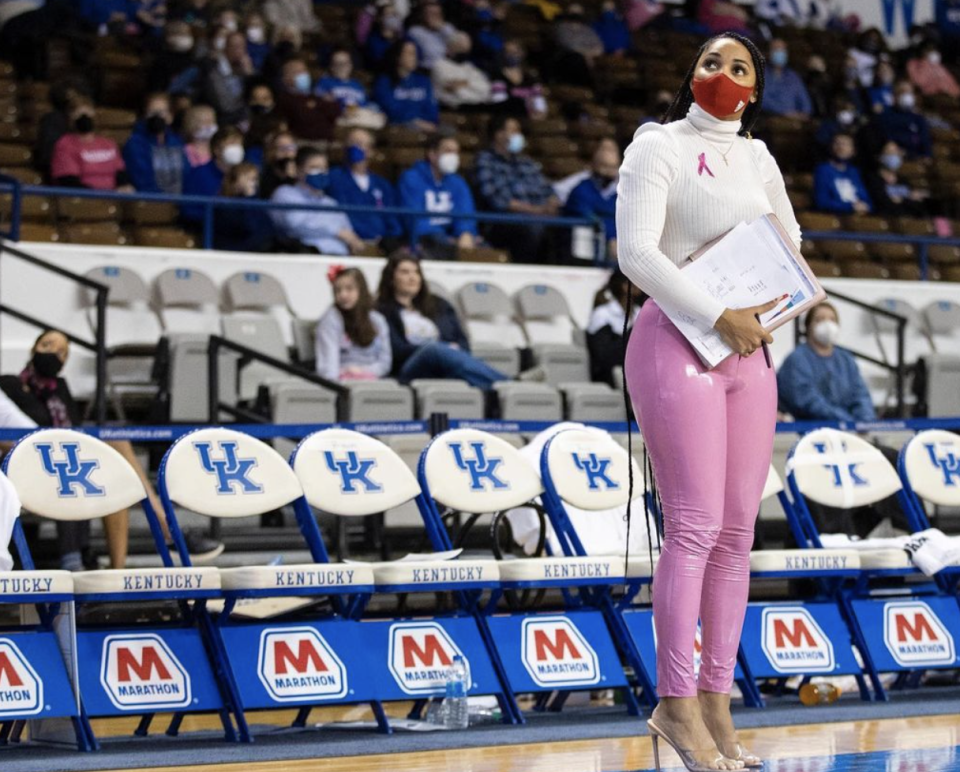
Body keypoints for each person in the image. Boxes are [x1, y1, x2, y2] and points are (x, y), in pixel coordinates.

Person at [618, 32, 801, 770]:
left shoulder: (758, 158)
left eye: (739, 66)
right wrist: (714, 310)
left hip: (748, 352)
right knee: (692, 528)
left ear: (754, 87)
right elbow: (636, 253)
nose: (722, 74)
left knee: (736, 536)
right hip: (674, 341)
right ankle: (676, 702)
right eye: (710, 62)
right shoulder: (656, 145)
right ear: (691, 75)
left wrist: (758, 310)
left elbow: (791, 248)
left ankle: (720, 707)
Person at [0, 330, 223, 569]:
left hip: (64, 459)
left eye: (62, 352)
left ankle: (119, 573)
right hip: (30, 463)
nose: (54, 354)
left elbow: (72, 430)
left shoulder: (60, 389)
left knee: (118, 467)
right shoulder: (9, 384)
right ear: (34, 349)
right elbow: (18, 434)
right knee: (112, 452)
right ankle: (169, 531)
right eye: (47, 345)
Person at [376, 252, 507, 388]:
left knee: (463, 367)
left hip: (444, 363)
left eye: (416, 272)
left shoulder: (440, 305)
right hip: (410, 368)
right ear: (391, 278)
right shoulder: (382, 311)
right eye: (405, 272)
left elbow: (464, 343)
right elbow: (396, 350)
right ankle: (505, 384)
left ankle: (500, 393)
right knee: (435, 350)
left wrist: (449, 350)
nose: (412, 277)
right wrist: (440, 349)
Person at [474, 115, 559, 262]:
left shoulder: (527, 163)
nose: (518, 135)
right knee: (532, 230)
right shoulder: (485, 160)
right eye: (514, 130)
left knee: (566, 229)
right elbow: (498, 200)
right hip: (503, 223)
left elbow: (548, 191)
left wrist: (552, 203)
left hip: (538, 218)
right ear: (498, 134)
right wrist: (536, 211)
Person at [777, 302, 874, 423]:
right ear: (807, 326)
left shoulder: (846, 359)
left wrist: (865, 422)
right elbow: (807, 400)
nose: (827, 324)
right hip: (807, 429)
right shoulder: (797, 359)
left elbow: (860, 394)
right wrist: (845, 421)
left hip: (848, 428)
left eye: (832, 320)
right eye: (819, 320)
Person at [270, 146, 366, 255]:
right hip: (306, 255)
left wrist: (351, 240)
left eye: (324, 168)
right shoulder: (285, 193)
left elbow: (348, 232)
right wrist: (336, 232)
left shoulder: (331, 203)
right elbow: (295, 225)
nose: (320, 172)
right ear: (298, 170)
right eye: (314, 167)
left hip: (340, 258)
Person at [398, 131, 477, 256]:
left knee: (482, 249)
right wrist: (445, 238)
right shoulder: (411, 178)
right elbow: (413, 218)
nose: (453, 156)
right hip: (423, 238)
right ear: (432, 154)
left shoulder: (458, 183)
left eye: (456, 152)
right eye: (448, 151)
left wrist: (465, 233)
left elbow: (466, 214)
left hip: (450, 239)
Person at [327, 128, 404, 250]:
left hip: (380, 243)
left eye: (361, 144)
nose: (356, 148)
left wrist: (390, 238)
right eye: (352, 143)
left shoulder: (382, 184)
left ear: (371, 151)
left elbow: (391, 217)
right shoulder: (333, 177)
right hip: (348, 242)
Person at [315, 266, 392, 381]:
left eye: (349, 289)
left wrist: (363, 372)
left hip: (372, 380)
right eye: (338, 290)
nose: (343, 295)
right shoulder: (331, 319)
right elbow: (328, 366)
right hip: (342, 381)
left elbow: (385, 363)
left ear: (362, 290)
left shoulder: (378, 320)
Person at [50, 99, 132, 191]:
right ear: (71, 118)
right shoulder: (65, 144)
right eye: (78, 113)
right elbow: (68, 180)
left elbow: (120, 173)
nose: (85, 117)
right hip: (84, 198)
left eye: (88, 112)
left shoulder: (108, 144)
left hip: (113, 196)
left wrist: (124, 187)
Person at [123, 92, 187, 194]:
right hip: (151, 200)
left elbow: (185, 172)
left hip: (178, 200)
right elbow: (141, 178)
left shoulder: (177, 142)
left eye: (162, 113)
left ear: (170, 116)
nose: (157, 117)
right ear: (144, 116)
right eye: (152, 113)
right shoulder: (135, 144)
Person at [564, 143, 620, 259]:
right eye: (604, 166)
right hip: (584, 251)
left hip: (618, 247)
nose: (608, 172)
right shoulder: (581, 190)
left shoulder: (620, 194)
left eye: (613, 167)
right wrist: (610, 238)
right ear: (593, 166)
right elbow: (589, 217)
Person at [181, 126, 246, 225]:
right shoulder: (198, 174)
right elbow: (189, 210)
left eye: (239, 144)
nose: (237, 148)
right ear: (217, 149)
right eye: (232, 144)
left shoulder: (246, 175)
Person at [586, 270, 640, 386]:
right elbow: (602, 355)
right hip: (608, 375)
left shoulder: (640, 313)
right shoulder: (603, 314)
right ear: (625, 286)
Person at [373, 40, 439, 130]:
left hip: (426, 125)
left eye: (415, 53)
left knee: (449, 132)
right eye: (410, 53)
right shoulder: (384, 81)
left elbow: (431, 109)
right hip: (398, 125)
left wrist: (428, 122)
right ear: (397, 56)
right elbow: (390, 109)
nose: (414, 57)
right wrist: (415, 121)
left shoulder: (424, 81)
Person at [275, 58, 342, 141]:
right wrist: (319, 106)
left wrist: (316, 106)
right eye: (298, 72)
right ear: (285, 78)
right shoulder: (284, 99)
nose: (304, 75)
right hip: (303, 143)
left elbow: (334, 112)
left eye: (304, 71)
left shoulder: (314, 96)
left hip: (327, 142)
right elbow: (303, 118)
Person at [215, 163, 275, 252]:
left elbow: (268, 229)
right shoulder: (223, 205)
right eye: (248, 179)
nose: (252, 184)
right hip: (235, 255)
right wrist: (249, 196)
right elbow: (248, 226)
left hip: (259, 254)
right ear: (234, 181)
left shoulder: (256, 202)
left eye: (254, 179)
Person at [865, 141, 932, 218]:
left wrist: (902, 200)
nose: (894, 156)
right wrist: (906, 198)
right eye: (890, 152)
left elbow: (916, 205)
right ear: (880, 157)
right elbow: (881, 203)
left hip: (907, 221)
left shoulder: (903, 181)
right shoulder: (872, 179)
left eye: (896, 152)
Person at [202, 30, 255, 125]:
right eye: (234, 46)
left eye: (241, 47)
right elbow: (225, 105)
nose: (238, 51)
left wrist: (249, 75)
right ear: (226, 48)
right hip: (223, 120)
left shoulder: (246, 70)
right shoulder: (213, 69)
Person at [813, 133, 872, 215]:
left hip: (857, 217)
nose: (841, 148)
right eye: (837, 143)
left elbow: (866, 200)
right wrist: (850, 207)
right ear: (831, 147)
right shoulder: (823, 170)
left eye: (846, 144)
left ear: (853, 150)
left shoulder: (854, 171)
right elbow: (822, 202)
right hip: (835, 217)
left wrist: (865, 206)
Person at [489, 39, 547, 119]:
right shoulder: (498, 76)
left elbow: (539, 102)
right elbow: (499, 102)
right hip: (509, 117)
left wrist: (539, 113)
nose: (512, 55)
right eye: (508, 52)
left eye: (515, 52)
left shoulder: (531, 76)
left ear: (522, 53)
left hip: (531, 118)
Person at [431, 32, 491, 109]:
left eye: (466, 49)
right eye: (460, 48)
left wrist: (467, 83)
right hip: (451, 110)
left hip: (476, 107)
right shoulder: (439, 65)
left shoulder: (469, 66)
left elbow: (486, 88)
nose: (464, 52)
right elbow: (457, 93)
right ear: (450, 48)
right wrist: (473, 87)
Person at [761, 39, 812, 119]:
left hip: (795, 121)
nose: (780, 53)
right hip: (770, 119)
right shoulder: (761, 74)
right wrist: (784, 112)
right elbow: (762, 100)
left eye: (782, 50)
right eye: (776, 49)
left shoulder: (793, 76)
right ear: (768, 53)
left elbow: (805, 102)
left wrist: (803, 114)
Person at [408, 0, 460, 69]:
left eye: (435, 14)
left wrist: (441, 28)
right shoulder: (415, 32)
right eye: (429, 13)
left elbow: (459, 48)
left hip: (450, 68)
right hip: (427, 70)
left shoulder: (447, 27)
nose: (431, 10)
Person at [259, 129, 298, 199]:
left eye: (290, 147)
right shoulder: (265, 173)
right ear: (272, 151)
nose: (287, 152)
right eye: (281, 148)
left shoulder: (302, 170)